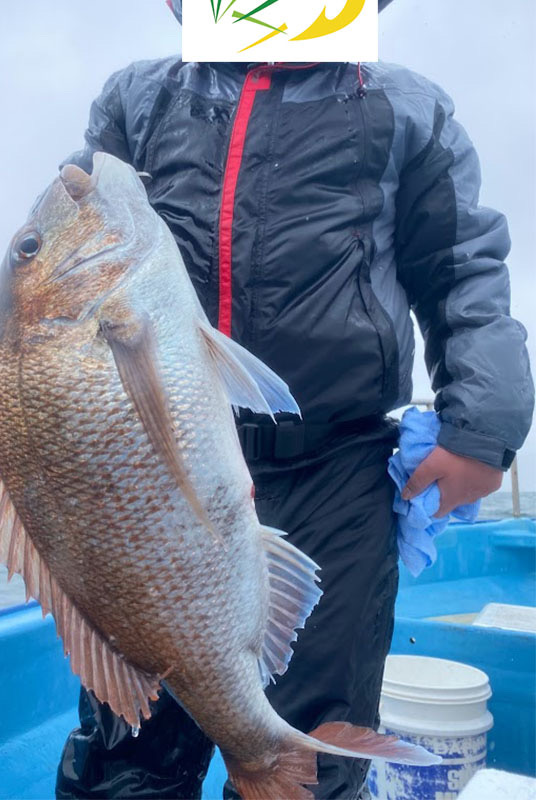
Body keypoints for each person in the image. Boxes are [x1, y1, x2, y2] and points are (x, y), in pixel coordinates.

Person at [55, 1, 534, 797]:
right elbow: (76, 234)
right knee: (125, 749)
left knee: (316, 747)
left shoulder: (408, 108)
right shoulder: (141, 98)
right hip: (159, 468)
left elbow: (460, 267)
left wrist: (481, 425)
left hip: (336, 471)